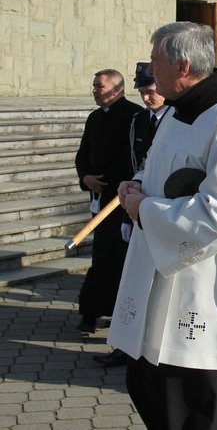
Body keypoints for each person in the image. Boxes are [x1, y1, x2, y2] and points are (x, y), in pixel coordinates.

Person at [108, 22, 217, 430]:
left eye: (154, 60)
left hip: (200, 291)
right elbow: (162, 174)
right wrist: (136, 186)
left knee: (193, 409)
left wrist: (146, 210)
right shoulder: (178, 113)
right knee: (148, 386)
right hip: (158, 280)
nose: (149, 69)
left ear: (182, 66)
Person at [92, 62, 170, 367]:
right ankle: (126, 344)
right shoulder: (139, 120)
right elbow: (133, 168)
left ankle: (155, 346)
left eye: (151, 91)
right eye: (142, 92)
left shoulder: (176, 120)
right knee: (134, 282)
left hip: (162, 212)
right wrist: (126, 216)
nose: (148, 98)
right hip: (137, 212)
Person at [74, 68, 145, 335]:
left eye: (99, 86)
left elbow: (130, 156)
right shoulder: (93, 118)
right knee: (101, 257)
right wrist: (86, 177)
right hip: (98, 196)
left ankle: (118, 312)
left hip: (121, 197)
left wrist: (109, 180)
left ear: (117, 89)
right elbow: (83, 153)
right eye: (94, 86)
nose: (94, 90)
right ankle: (90, 312)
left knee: (118, 258)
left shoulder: (133, 116)